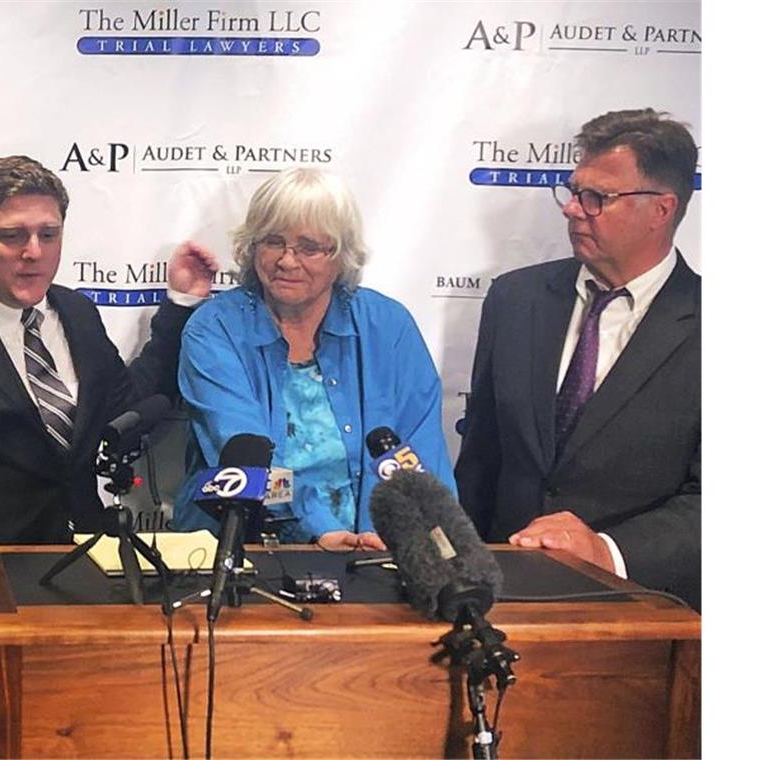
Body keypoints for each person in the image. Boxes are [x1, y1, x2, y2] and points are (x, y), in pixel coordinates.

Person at [0, 155, 219, 757]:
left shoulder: (76, 314)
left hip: (84, 606)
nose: (33, 251)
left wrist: (180, 309)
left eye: (47, 235)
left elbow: (128, 407)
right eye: (12, 235)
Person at [455, 108, 700, 609]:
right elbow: (481, 459)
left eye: (597, 198)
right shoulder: (514, 299)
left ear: (661, 209)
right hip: (502, 604)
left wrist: (606, 550)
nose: (572, 210)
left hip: (645, 618)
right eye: (573, 192)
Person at [171, 168, 456, 548]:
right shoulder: (215, 330)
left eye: (309, 247)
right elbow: (243, 461)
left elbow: (419, 454)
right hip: (250, 545)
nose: (287, 261)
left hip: (383, 545)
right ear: (251, 246)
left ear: (341, 255)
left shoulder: (389, 326)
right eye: (273, 242)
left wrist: (384, 538)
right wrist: (319, 528)